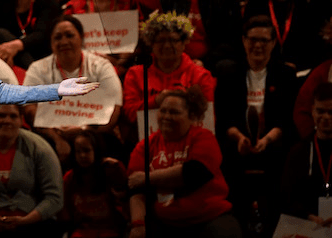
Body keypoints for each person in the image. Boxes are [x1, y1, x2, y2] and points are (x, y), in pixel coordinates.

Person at [215, 15, 296, 231]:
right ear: (243, 41)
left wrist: (267, 140)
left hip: (273, 145)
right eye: (252, 39)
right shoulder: (228, 72)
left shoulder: (286, 74)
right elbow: (223, 118)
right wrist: (240, 138)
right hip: (237, 146)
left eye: (264, 41)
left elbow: (286, 120)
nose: (258, 45)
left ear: (273, 43)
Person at [127, 87, 239, 237]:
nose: (166, 116)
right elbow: (135, 186)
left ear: (191, 116)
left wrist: (147, 178)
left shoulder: (203, 137)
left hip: (208, 218)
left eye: (174, 112)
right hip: (164, 221)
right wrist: (138, 224)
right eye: (163, 110)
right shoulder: (146, 145)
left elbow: (194, 173)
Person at [23, 16, 124, 162]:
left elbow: (114, 108)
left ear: (82, 39)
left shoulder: (101, 66)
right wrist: (57, 138)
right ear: (51, 43)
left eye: (70, 35)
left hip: (94, 133)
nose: (64, 41)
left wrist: (85, 132)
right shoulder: (37, 69)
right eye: (57, 37)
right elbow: (30, 110)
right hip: (53, 134)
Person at [0, 102, 63, 238]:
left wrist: (26, 220)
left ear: (21, 120)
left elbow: (55, 197)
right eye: (1, 115)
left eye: (13, 116)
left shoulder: (40, 148)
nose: (7, 120)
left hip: (31, 225)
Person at [122, 12, 216, 130]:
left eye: (173, 40)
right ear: (151, 44)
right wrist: (156, 101)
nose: (166, 46)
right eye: (160, 41)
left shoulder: (201, 75)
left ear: (183, 43)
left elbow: (206, 118)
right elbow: (130, 114)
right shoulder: (135, 74)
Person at [282, 82, 332, 227]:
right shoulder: (298, 152)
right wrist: (307, 216)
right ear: (313, 111)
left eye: (331, 112)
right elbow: (286, 196)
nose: (326, 117)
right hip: (307, 224)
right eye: (321, 111)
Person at [61, 131, 128, 238]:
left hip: (110, 229)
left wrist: (117, 168)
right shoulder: (70, 177)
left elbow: (123, 200)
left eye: (87, 150)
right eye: (78, 152)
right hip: (82, 230)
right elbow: (65, 210)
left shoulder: (111, 170)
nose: (82, 155)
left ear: (96, 150)